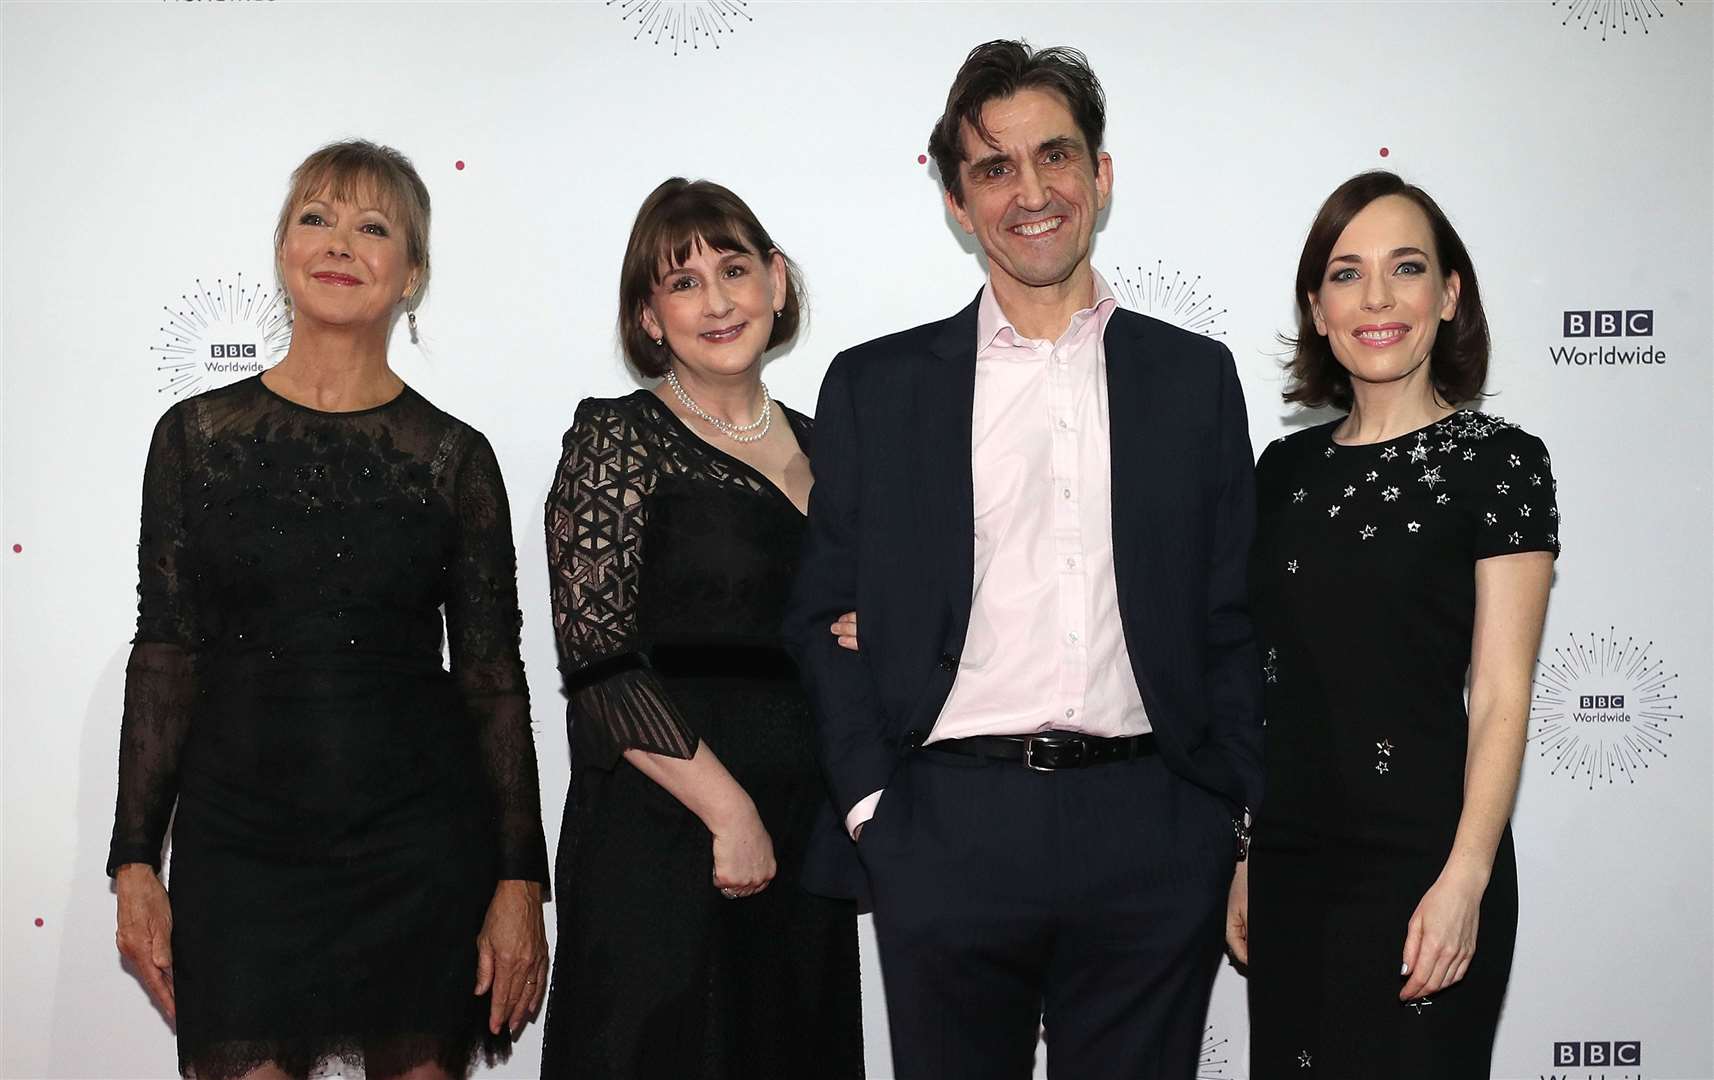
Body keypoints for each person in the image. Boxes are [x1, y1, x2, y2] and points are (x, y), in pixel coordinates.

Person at [785, 41, 1262, 1079]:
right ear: (958, 203)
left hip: (1153, 824)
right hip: (944, 827)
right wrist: (876, 809)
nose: (1030, 191)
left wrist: (1222, 821)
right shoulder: (878, 387)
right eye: (994, 168)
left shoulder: (1193, 380)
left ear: (1101, 174)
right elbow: (819, 618)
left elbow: (1232, 621)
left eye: (1055, 156)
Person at [108, 140, 551, 1080]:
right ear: (282, 249)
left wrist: (520, 880)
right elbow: (166, 654)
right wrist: (135, 860)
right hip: (239, 843)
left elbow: (491, 680)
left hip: (418, 844)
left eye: (373, 226)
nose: (340, 242)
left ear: (412, 275)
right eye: (317, 217)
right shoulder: (191, 439)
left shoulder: (455, 458)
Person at [1231, 171, 1558, 1078]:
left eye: (1405, 267)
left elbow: (1500, 693)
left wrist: (1467, 881)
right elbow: (1268, 687)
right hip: (1292, 865)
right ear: (1316, 307)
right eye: (1346, 273)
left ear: (1448, 296)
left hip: (1428, 865)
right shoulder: (1281, 472)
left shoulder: (1500, 464)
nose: (1376, 298)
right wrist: (1249, 853)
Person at [538, 178, 862, 1078]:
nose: (717, 300)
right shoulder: (618, 440)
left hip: (809, 827)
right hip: (667, 829)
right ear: (649, 317)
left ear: (778, 282)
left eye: (734, 269)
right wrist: (731, 815)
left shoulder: (835, 445)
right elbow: (600, 664)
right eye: (682, 283)